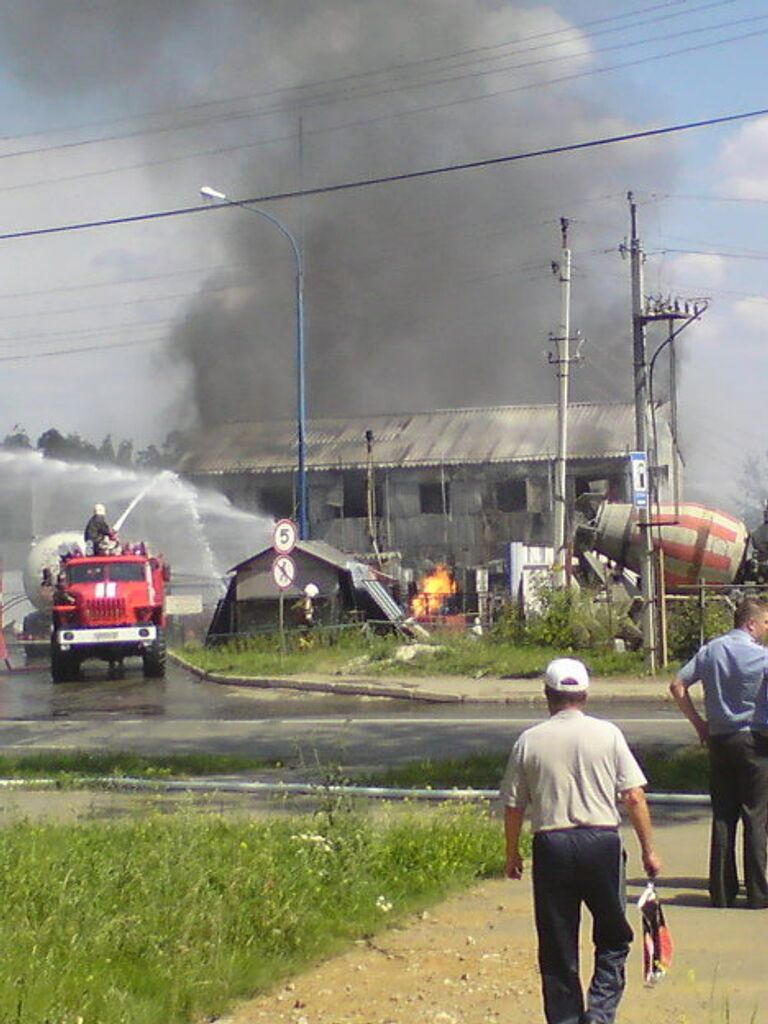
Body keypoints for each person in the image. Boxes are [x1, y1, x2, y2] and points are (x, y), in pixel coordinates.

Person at [500, 657, 661, 1024]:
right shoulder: (608, 734)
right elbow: (633, 796)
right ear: (585, 695)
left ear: (547, 695)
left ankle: (566, 1019)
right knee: (614, 936)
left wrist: (512, 854)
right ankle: (600, 1014)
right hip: (601, 842)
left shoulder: (529, 741)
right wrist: (649, 850)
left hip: (551, 844)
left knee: (557, 945)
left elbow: (513, 806)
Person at [669, 596, 768, 909]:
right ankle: (757, 892)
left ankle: (722, 891)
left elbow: (677, 685)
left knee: (724, 814)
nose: (767, 628)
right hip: (754, 740)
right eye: (765, 622)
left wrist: (699, 723)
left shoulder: (711, 650)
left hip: (719, 739)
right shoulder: (761, 657)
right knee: (755, 815)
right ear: (751, 624)